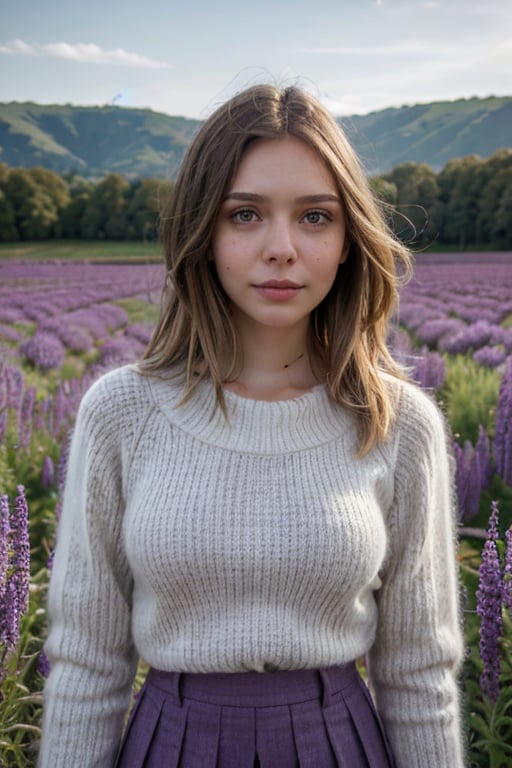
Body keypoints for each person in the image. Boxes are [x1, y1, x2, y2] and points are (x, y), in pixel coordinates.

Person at [38, 84, 464, 768]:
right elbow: (88, 663)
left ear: (351, 238)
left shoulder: (398, 421)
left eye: (316, 217)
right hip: (171, 744)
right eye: (245, 215)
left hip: (338, 744)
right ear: (203, 233)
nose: (282, 248)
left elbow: (419, 672)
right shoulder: (123, 412)